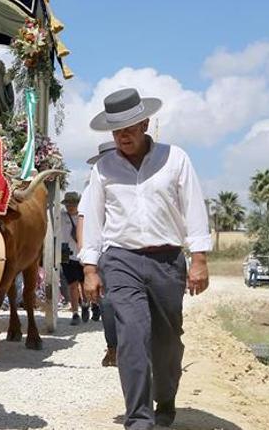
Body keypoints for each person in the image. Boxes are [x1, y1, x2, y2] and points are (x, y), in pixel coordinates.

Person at [80, 88, 211, 430]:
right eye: (116, 129)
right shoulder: (104, 169)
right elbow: (93, 220)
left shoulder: (175, 159)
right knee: (132, 337)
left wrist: (199, 259)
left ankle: (165, 398)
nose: (122, 135)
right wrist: (90, 268)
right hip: (121, 261)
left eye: (129, 127)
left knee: (168, 342)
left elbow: (194, 208)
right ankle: (138, 419)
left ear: (145, 123)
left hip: (167, 261)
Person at [79, 141, 118, 366]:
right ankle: (113, 347)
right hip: (105, 255)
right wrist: (88, 261)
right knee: (109, 304)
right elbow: (83, 222)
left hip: (133, 252)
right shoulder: (91, 189)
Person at [60, 191, 87, 325]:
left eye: (73, 204)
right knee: (72, 284)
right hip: (66, 253)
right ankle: (75, 313)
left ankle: (86, 304)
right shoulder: (60, 216)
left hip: (82, 253)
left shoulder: (84, 217)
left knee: (83, 283)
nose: (70, 206)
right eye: (68, 204)